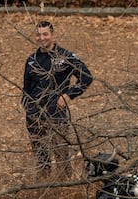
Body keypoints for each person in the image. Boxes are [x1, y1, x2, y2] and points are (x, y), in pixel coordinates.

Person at [21, 20, 93, 175]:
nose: (42, 38)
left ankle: (63, 187)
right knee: (41, 156)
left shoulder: (65, 56)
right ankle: (43, 185)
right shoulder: (31, 60)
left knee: (61, 154)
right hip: (35, 114)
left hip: (56, 111)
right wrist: (28, 109)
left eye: (45, 34)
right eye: (38, 35)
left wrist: (68, 95)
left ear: (52, 35)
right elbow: (26, 90)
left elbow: (86, 78)